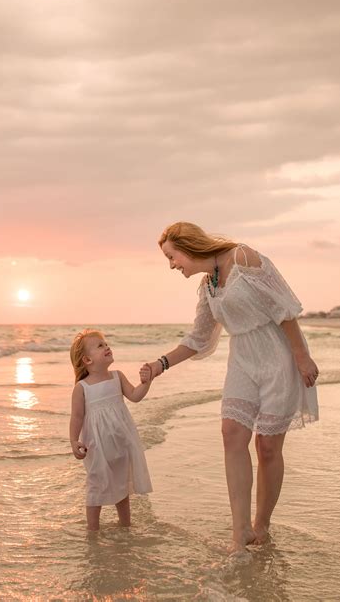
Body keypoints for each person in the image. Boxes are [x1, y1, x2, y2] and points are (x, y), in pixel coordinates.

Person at [140, 222, 319, 552]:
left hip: (277, 355)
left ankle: (260, 525)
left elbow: (284, 308)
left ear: (188, 246)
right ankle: (240, 534)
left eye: (171, 256)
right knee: (231, 434)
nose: (171, 265)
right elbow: (199, 339)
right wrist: (159, 365)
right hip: (242, 360)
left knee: (267, 447)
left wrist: (301, 355)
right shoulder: (209, 285)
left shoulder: (243, 257)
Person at [70, 329, 153, 531]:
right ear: (87, 360)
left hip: (121, 442)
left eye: (106, 343)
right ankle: (93, 529)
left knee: (122, 484)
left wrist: (146, 382)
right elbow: (77, 417)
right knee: (96, 483)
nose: (106, 347)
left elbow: (134, 395)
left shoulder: (117, 376)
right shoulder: (82, 387)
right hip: (96, 446)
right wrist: (74, 440)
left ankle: (125, 525)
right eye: (100, 345)